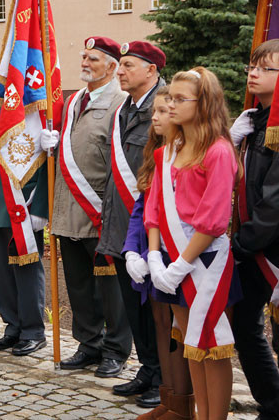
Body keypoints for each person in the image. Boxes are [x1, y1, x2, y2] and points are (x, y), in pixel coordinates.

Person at [145, 67, 241, 420]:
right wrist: (155, 257)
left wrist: (182, 264)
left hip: (204, 264)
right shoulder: (169, 150)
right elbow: (154, 208)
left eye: (179, 99)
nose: (170, 105)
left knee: (212, 347)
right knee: (191, 346)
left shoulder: (218, 151)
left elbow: (214, 220)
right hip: (172, 260)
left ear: (204, 104)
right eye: (169, 98)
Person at [52, 37, 132, 376]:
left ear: (112, 67)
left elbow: (123, 165)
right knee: (80, 286)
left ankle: (115, 349)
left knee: (111, 289)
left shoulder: (121, 103)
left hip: (101, 212)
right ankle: (88, 344)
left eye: (94, 59)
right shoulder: (73, 102)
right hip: (68, 211)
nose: (85, 63)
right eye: (84, 56)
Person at [96, 41, 165, 403]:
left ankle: (164, 380)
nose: (119, 71)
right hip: (122, 227)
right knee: (134, 307)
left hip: (152, 231)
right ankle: (148, 369)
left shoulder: (164, 108)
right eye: (120, 65)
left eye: (128, 65)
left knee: (156, 311)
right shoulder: (124, 108)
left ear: (152, 69)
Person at [123, 87, 194, 419]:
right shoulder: (158, 153)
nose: (155, 117)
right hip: (154, 253)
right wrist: (131, 252)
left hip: (179, 254)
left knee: (180, 332)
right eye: (155, 111)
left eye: (164, 110)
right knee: (161, 324)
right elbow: (142, 209)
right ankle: (170, 399)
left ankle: (182, 401)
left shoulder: (188, 154)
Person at [0, 97, 59, 357]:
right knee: (2, 270)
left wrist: (40, 208)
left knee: (26, 269)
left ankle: (33, 331)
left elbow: (46, 160)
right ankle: (13, 325)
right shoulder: (2, 103)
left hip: (26, 200)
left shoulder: (39, 102)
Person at [229, 38, 279, 420]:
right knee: (245, 327)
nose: (254, 72)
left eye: (265, 68)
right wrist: (231, 143)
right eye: (253, 65)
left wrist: (246, 242)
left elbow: (275, 199)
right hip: (250, 246)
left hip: (271, 250)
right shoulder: (253, 120)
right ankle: (271, 401)